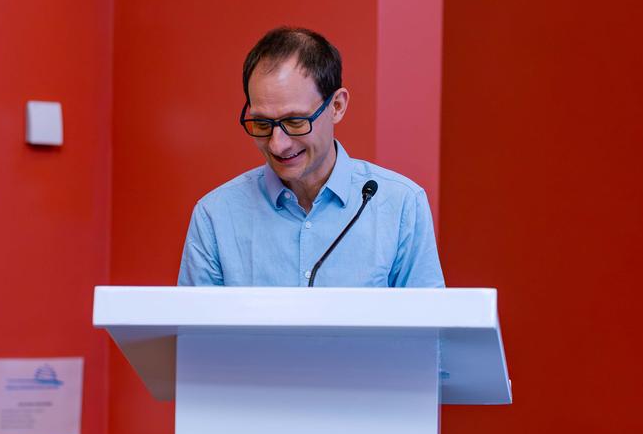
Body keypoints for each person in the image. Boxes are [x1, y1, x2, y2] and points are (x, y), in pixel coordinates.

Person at [177, 27, 444, 287]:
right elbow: (194, 320)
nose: (278, 145)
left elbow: (427, 318)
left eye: (295, 121)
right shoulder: (214, 216)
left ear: (337, 106)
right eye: (262, 123)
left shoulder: (401, 206)